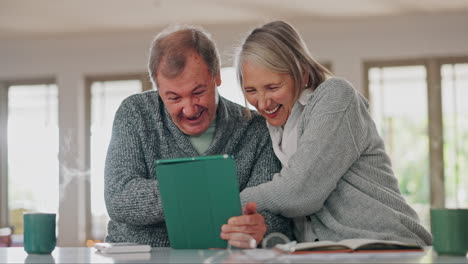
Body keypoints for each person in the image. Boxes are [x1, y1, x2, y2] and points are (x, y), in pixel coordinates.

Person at [221, 21, 432, 246]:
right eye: (251, 90)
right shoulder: (273, 127)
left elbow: (299, 192)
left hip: (386, 245)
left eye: (273, 87)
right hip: (331, 252)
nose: (262, 102)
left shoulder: (336, 97)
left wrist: (230, 203)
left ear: (301, 75)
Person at [104, 24, 292, 247]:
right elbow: (119, 197)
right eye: (174, 98)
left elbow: (274, 216)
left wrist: (260, 226)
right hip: (139, 256)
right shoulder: (135, 113)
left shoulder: (255, 128)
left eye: (198, 92)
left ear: (217, 76)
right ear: (157, 86)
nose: (190, 109)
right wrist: (200, 191)